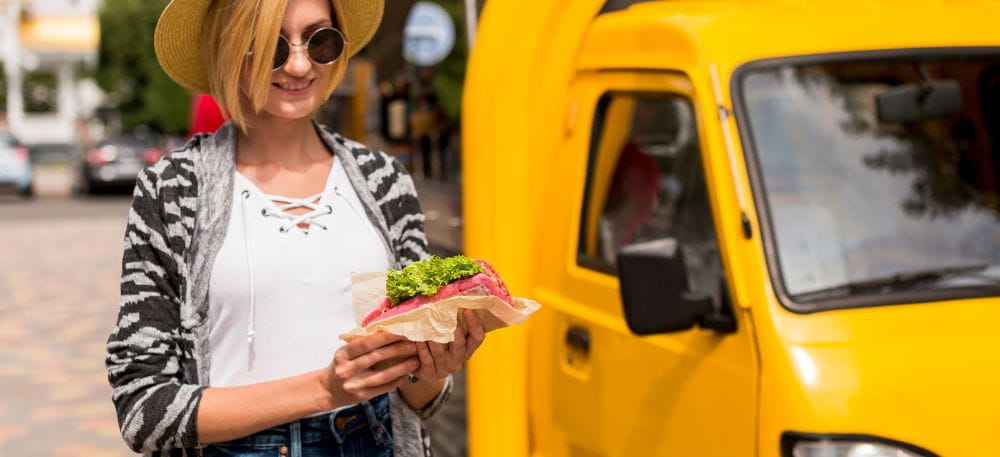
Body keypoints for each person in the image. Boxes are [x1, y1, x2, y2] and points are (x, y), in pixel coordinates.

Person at [104, 0, 486, 455]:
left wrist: (431, 366)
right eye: (272, 46)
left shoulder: (384, 180)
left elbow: (420, 397)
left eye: (320, 40)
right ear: (231, 49)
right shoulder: (173, 188)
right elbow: (143, 408)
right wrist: (325, 390)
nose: (301, 64)